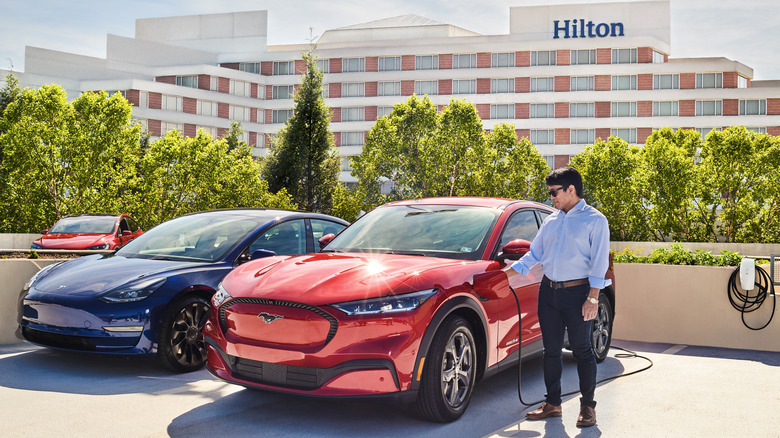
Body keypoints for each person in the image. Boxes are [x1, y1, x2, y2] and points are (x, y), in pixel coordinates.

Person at [502, 166, 611, 428]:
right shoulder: (552, 221)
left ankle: (588, 408)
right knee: (550, 351)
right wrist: (506, 276)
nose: (551, 198)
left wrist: (593, 298)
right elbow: (534, 254)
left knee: (583, 351)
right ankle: (553, 404)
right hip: (548, 292)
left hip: (578, 294)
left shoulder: (595, 220)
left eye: (554, 192)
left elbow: (599, 263)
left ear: (570, 190)